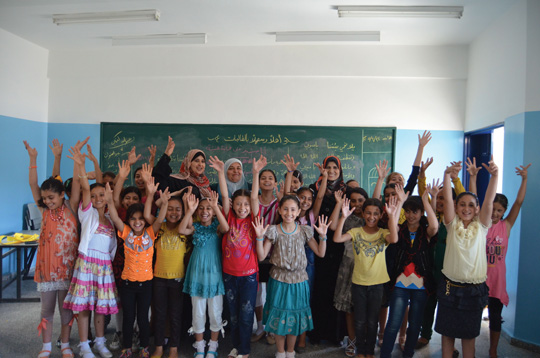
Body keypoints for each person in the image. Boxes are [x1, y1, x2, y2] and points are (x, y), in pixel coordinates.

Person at [435, 159, 498, 358]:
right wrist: (446, 175)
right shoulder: (451, 225)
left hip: (473, 291)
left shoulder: (481, 227)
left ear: (478, 209)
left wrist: (494, 176)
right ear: (455, 206)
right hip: (449, 288)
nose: (467, 208)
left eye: (471, 205)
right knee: (447, 335)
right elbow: (446, 199)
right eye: (462, 204)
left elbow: (488, 200)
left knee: (469, 338)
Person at [254, 195, 331, 358]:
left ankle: (291, 352)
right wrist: (260, 237)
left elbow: (320, 253)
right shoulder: (273, 230)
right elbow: (261, 257)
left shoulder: (305, 230)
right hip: (279, 280)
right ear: (280, 211)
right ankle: (280, 352)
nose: (289, 212)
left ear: (298, 212)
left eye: (293, 209)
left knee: (294, 318)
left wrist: (323, 236)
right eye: (286, 209)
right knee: (280, 317)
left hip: (299, 280)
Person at [24, 140, 81, 358]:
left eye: (51, 198)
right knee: (46, 310)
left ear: (62, 195)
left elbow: (75, 182)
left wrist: (76, 163)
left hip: (67, 270)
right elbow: (33, 184)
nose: (47, 202)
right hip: (47, 270)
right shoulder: (44, 210)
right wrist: (32, 159)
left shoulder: (71, 206)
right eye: (45, 198)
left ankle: (65, 343)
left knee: (66, 309)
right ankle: (46, 346)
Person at [469, 160, 531, 358]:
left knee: (495, 318)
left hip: (497, 281)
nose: (495, 213)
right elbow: (475, 199)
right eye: (493, 208)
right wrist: (473, 177)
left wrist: (524, 179)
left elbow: (519, 202)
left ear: (504, 212)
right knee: (472, 317)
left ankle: (493, 351)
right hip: (478, 279)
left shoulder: (506, 226)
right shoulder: (481, 223)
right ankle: (469, 349)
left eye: (499, 210)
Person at [63, 147, 118, 358]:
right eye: (93, 195)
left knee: (100, 308)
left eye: (101, 194)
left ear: (108, 196)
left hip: (104, 267)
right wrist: (81, 165)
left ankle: (100, 343)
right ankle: (85, 345)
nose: (96, 198)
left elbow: (112, 245)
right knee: (85, 307)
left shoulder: (110, 219)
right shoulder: (87, 214)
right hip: (86, 264)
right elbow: (85, 188)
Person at [333, 190, 403, 358]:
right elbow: (336, 239)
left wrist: (392, 216)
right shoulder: (356, 232)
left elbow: (394, 239)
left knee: (372, 322)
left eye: (376, 213)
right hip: (358, 283)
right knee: (359, 321)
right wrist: (343, 217)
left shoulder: (382, 233)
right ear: (363, 213)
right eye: (368, 213)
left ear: (380, 215)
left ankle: (369, 352)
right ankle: (360, 351)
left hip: (377, 284)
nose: (372, 217)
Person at [106, 178, 170, 358]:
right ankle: (127, 348)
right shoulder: (125, 232)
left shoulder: (151, 232)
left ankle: (144, 347)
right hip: (127, 283)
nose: (137, 222)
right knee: (128, 318)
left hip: (146, 284)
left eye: (141, 219)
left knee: (143, 318)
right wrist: (110, 201)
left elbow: (158, 219)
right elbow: (115, 217)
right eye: (133, 219)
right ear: (129, 220)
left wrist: (164, 203)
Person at [209, 155, 264, 358]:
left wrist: (256, 173)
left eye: (246, 205)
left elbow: (256, 197)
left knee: (247, 314)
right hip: (229, 274)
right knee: (232, 314)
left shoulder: (253, 219)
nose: (242, 208)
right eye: (239, 204)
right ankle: (236, 346)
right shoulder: (229, 216)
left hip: (249, 275)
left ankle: (245, 350)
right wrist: (219, 172)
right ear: (233, 206)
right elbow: (224, 195)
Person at [380, 189, 439, 358]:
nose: (411, 215)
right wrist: (400, 202)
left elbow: (434, 226)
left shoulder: (426, 231)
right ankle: (385, 355)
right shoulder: (399, 229)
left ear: (422, 213)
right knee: (393, 323)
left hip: (421, 286)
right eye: (408, 211)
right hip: (400, 284)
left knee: (415, 324)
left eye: (415, 211)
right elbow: (393, 223)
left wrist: (425, 200)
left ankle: (408, 353)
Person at [178, 191, 229, 358]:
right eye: (201, 208)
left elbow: (226, 227)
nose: (204, 211)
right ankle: (200, 347)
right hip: (197, 276)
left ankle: (213, 346)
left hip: (214, 276)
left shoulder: (216, 228)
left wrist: (216, 207)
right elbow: (181, 229)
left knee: (215, 313)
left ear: (214, 211)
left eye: (208, 208)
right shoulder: (195, 227)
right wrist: (189, 211)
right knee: (198, 313)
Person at [144, 190, 192, 358]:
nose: (173, 213)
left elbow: (190, 224)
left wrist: (187, 206)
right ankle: (158, 347)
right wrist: (161, 202)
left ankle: (174, 348)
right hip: (159, 278)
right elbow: (146, 215)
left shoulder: (186, 229)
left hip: (178, 279)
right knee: (159, 313)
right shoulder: (159, 227)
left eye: (177, 209)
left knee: (176, 314)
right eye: (170, 209)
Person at [309, 155, 347, 344]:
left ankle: (335, 335)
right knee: (318, 288)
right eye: (328, 167)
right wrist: (323, 179)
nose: (331, 171)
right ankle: (316, 333)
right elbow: (313, 212)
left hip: (338, 244)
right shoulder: (313, 188)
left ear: (340, 170)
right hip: (318, 242)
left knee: (335, 289)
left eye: (335, 168)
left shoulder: (346, 191)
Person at [328, 187, 369, 357]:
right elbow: (333, 227)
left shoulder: (372, 218)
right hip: (348, 265)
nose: (358, 204)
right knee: (349, 308)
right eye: (354, 200)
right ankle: (351, 340)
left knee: (366, 308)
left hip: (367, 268)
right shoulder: (347, 217)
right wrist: (339, 205)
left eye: (361, 200)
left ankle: (365, 340)